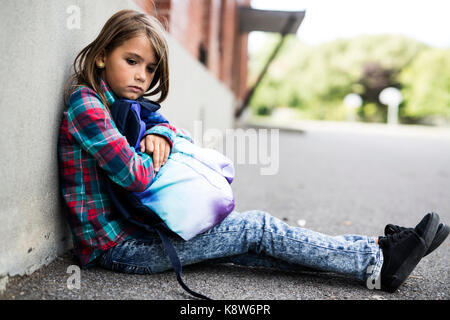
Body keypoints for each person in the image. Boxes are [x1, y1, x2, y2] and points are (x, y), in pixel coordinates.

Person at [58, 9, 448, 297]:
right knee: (254, 228)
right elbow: (136, 175)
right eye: (132, 62)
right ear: (100, 56)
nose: (142, 76)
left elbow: (170, 129)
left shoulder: (122, 104)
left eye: (150, 68)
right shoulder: (87, 104)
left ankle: (374, 255)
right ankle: (378, 259)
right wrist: (159, 146)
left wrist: (161, 134)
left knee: (255, 244)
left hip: (139, 232)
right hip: (118, 248)